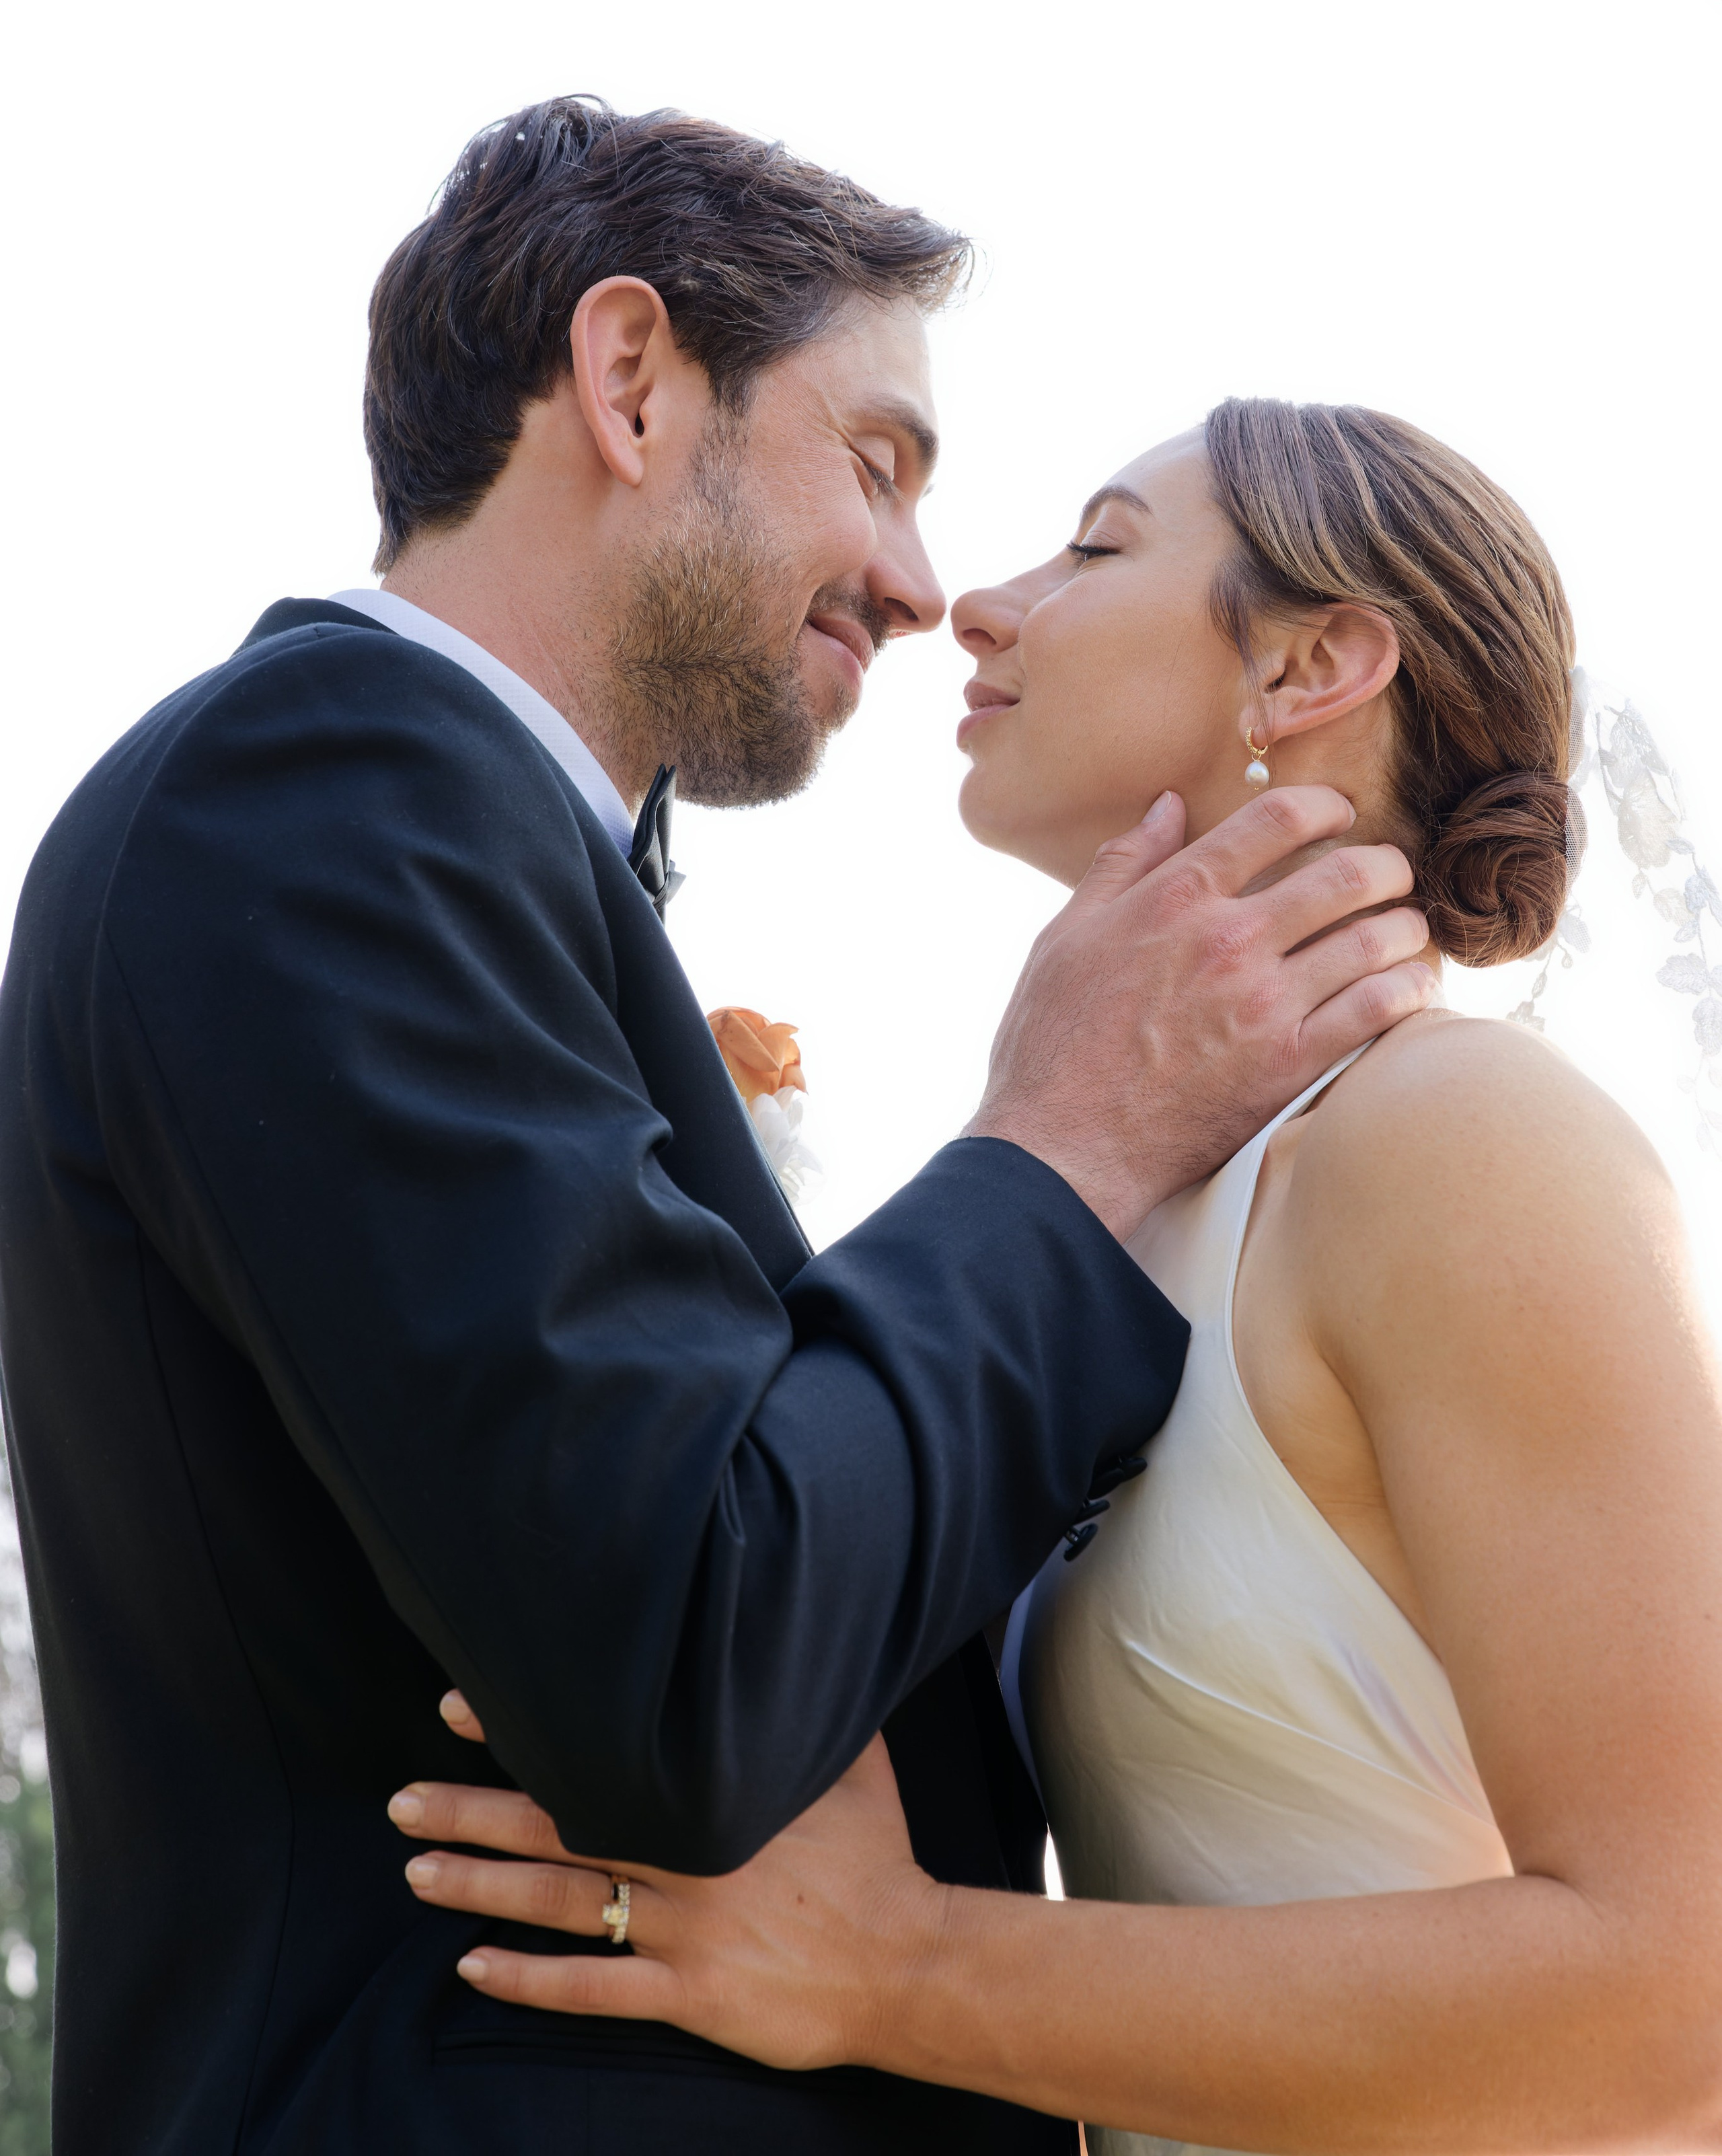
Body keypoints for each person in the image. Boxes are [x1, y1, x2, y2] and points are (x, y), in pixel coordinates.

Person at [0, 113, 1433, 2156]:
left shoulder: (445, 839)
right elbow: (695, 1652)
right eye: (879, 463)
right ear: (632, 380)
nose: (929, 586)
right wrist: (1060, 1142)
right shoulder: (316, 795)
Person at [394, 400, 1722, 2154]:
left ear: (1316, 661)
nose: (980, 606)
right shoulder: (1145, 1211)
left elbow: (1679, 1987)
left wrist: (895, 1969)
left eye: (1093, 548)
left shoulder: (1454, 1136)